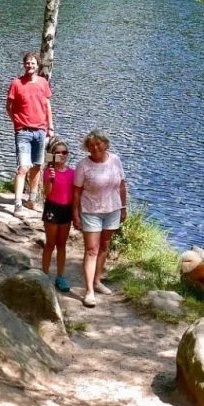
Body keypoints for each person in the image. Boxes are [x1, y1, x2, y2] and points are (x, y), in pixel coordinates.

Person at [72, 131, 127, 307]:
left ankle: (97, 281)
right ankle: (89, 291)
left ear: (106, 144)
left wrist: (123, 208)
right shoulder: (83, 165)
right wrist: (75, 213)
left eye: (98, 144)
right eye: (91, 145)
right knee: (91, 250)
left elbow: (122, 185)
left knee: (104, 246)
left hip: (113, 209)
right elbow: (76, 191)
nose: (95, 148)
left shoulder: (115, 160)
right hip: (91, 211)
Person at [5, 51, 54, 217]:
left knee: (38, 166)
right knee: (23, 168)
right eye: (27, 63)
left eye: (33, 63)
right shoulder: (16, 83)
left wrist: (51, 127)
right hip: (23, 132)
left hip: (41, 131)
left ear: (38, 64)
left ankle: (32, 200)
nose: (30, 65)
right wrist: (17, 123)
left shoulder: (43, 82)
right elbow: (9, 107)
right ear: (24, 64)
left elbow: (47, 106)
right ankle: (17, 203)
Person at [40, 140, 75, 292]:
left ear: (68, 155)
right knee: (50, 243)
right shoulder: (48, 171)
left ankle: (60, 277)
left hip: (66, 210)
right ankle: (44, 275)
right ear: (52, 155)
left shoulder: (73, 173)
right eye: (58, 152)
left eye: (64, 152)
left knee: (62, 244)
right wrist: (51, 179)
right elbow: (46, 193)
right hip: (52, 208)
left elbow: (75, 194)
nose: (61, 155)